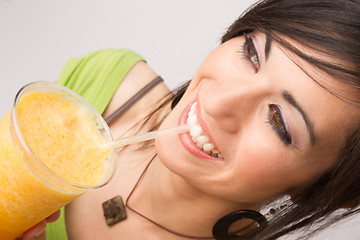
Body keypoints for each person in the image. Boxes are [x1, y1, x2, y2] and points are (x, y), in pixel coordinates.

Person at [19, 0, 360, 239]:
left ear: (319, 189)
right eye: (251, 54)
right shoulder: (102, 84)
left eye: (278, 121)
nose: (217, 101)